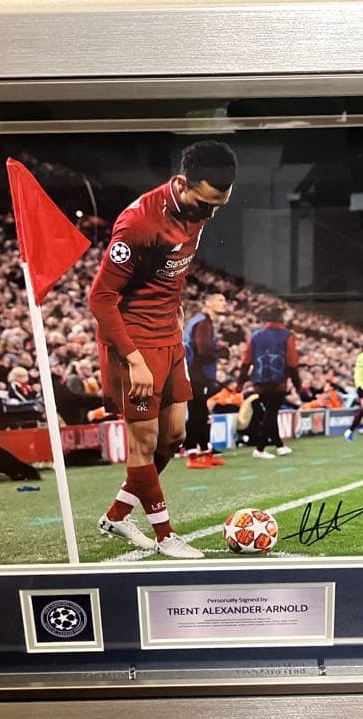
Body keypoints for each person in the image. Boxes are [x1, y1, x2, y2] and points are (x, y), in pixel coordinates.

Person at [89, 140, 237, 558]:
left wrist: (176, 311)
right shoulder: (138, 224)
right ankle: (165, 536)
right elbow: (100, 298)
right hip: (135, 340)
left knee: (173, 437)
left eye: (218, 206)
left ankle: (117, 515)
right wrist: (133, 359)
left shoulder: (199, 212)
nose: (209, 214)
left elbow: (168, 273)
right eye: (204, 204)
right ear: (183, 183)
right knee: (144, 441)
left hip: (169, 334)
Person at [239, 306, 301, 460]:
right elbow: (292, 362)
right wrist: (297, 383)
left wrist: (241, 382)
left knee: (270, 412)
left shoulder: (256, 335)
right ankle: (260, 448)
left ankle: (279, 445)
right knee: (271, 413)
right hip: (278, 381)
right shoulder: (287, 336)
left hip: (259, 380)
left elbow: (246, 360)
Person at [182, 293, 230, 468]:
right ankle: (191, 455)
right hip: (197, 374)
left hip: (194, 372)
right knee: (197, 414)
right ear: (208, 303)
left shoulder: (200, 321)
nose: (224, 303)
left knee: (201, 413)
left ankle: (205, 451)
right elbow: (202, 352)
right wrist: (221, 352)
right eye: (220, 300)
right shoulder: (203, 323)